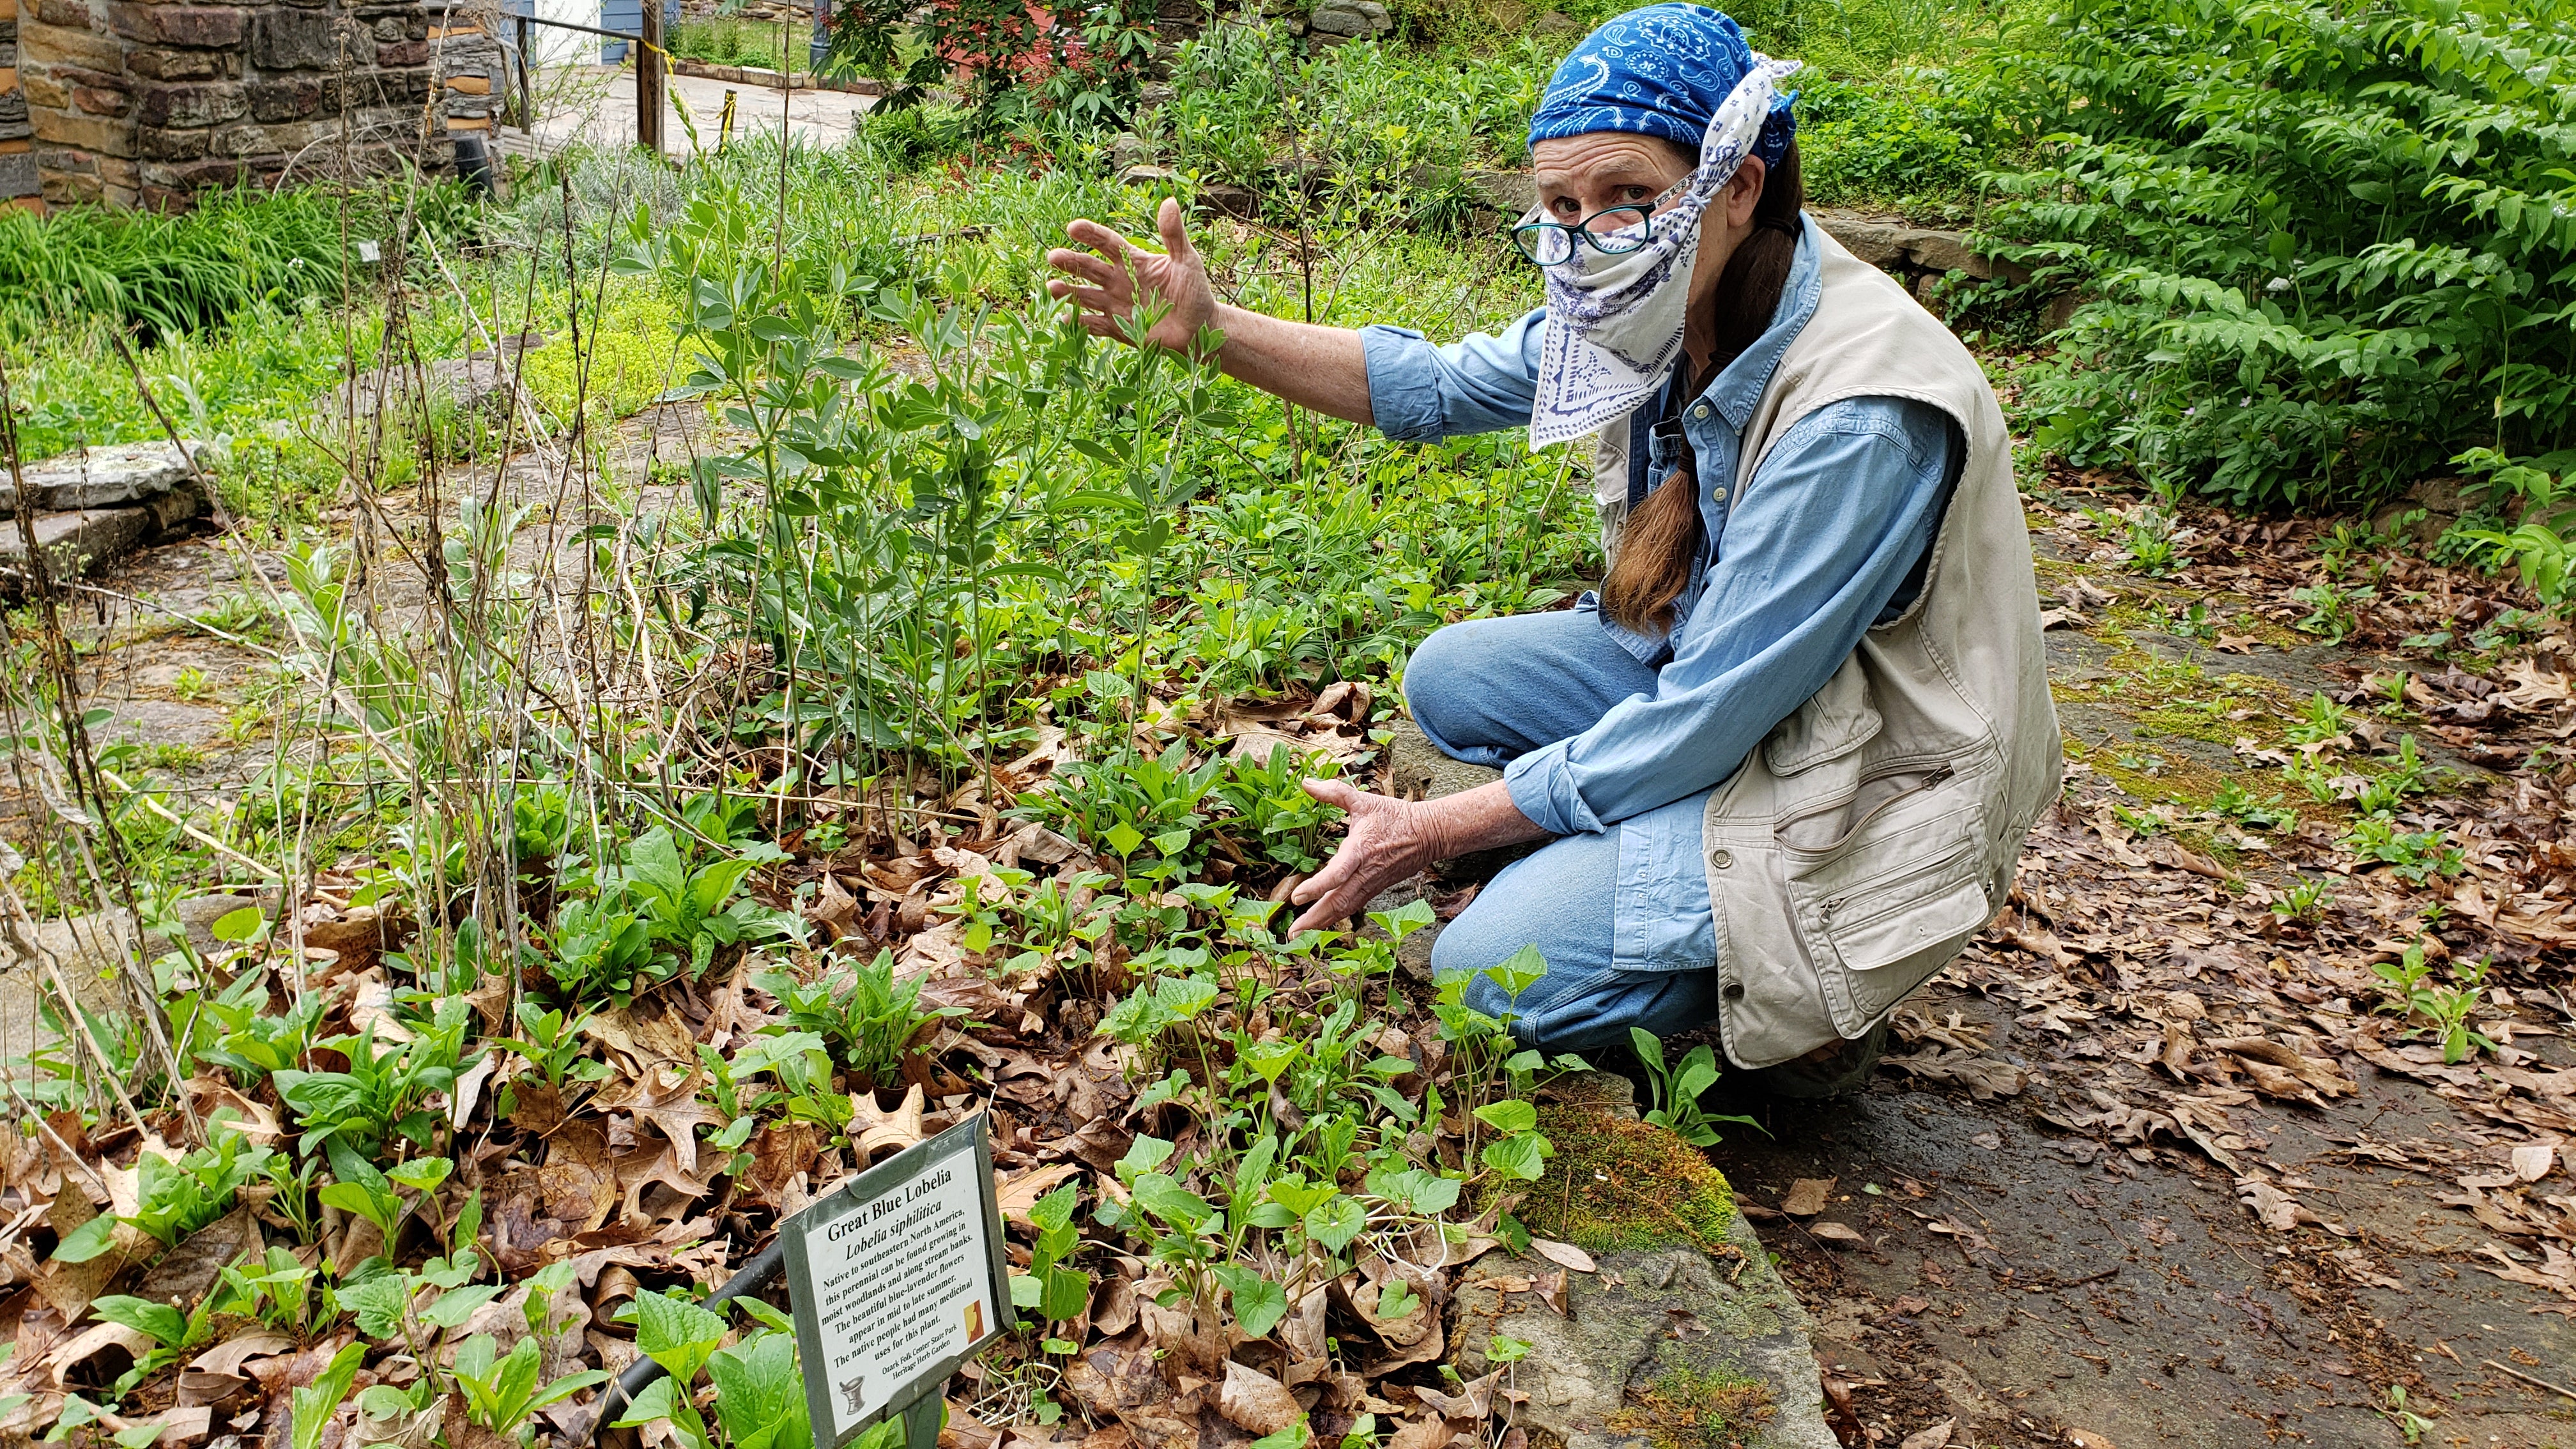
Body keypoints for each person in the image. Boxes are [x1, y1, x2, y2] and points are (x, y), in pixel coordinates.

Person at [1045, 3, 2060, 1094]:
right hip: (1748, 692)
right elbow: (1436, 384)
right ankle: (1638, 873)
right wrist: (1215, 328)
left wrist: (1431, 830)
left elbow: (1705, 721)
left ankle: (1801, 995)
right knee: (1453, 677)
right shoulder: (1660, 298)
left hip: (1862, 767)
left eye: (1630, 197)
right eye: (1563, 205)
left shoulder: (1857, 413)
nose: (1593, 233)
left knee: (1487, 975)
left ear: (1738, 188)